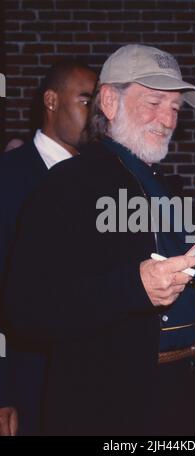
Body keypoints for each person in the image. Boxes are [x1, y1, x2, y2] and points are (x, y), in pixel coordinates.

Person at [2, 44, 195, 436]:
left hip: (182, 391)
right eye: (154, 102)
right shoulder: (68, 185)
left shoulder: (164, 187)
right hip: (112, 407)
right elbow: (26, 309)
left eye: (176, 108)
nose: (167, 119)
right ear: (110, 101)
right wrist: (134, 287)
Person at [0, 59, 97, 435]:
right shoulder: (9, 178)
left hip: (90, 379)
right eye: (85, 100)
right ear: (52, 101)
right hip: (28, 377)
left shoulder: (99, 179)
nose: (95, 114)